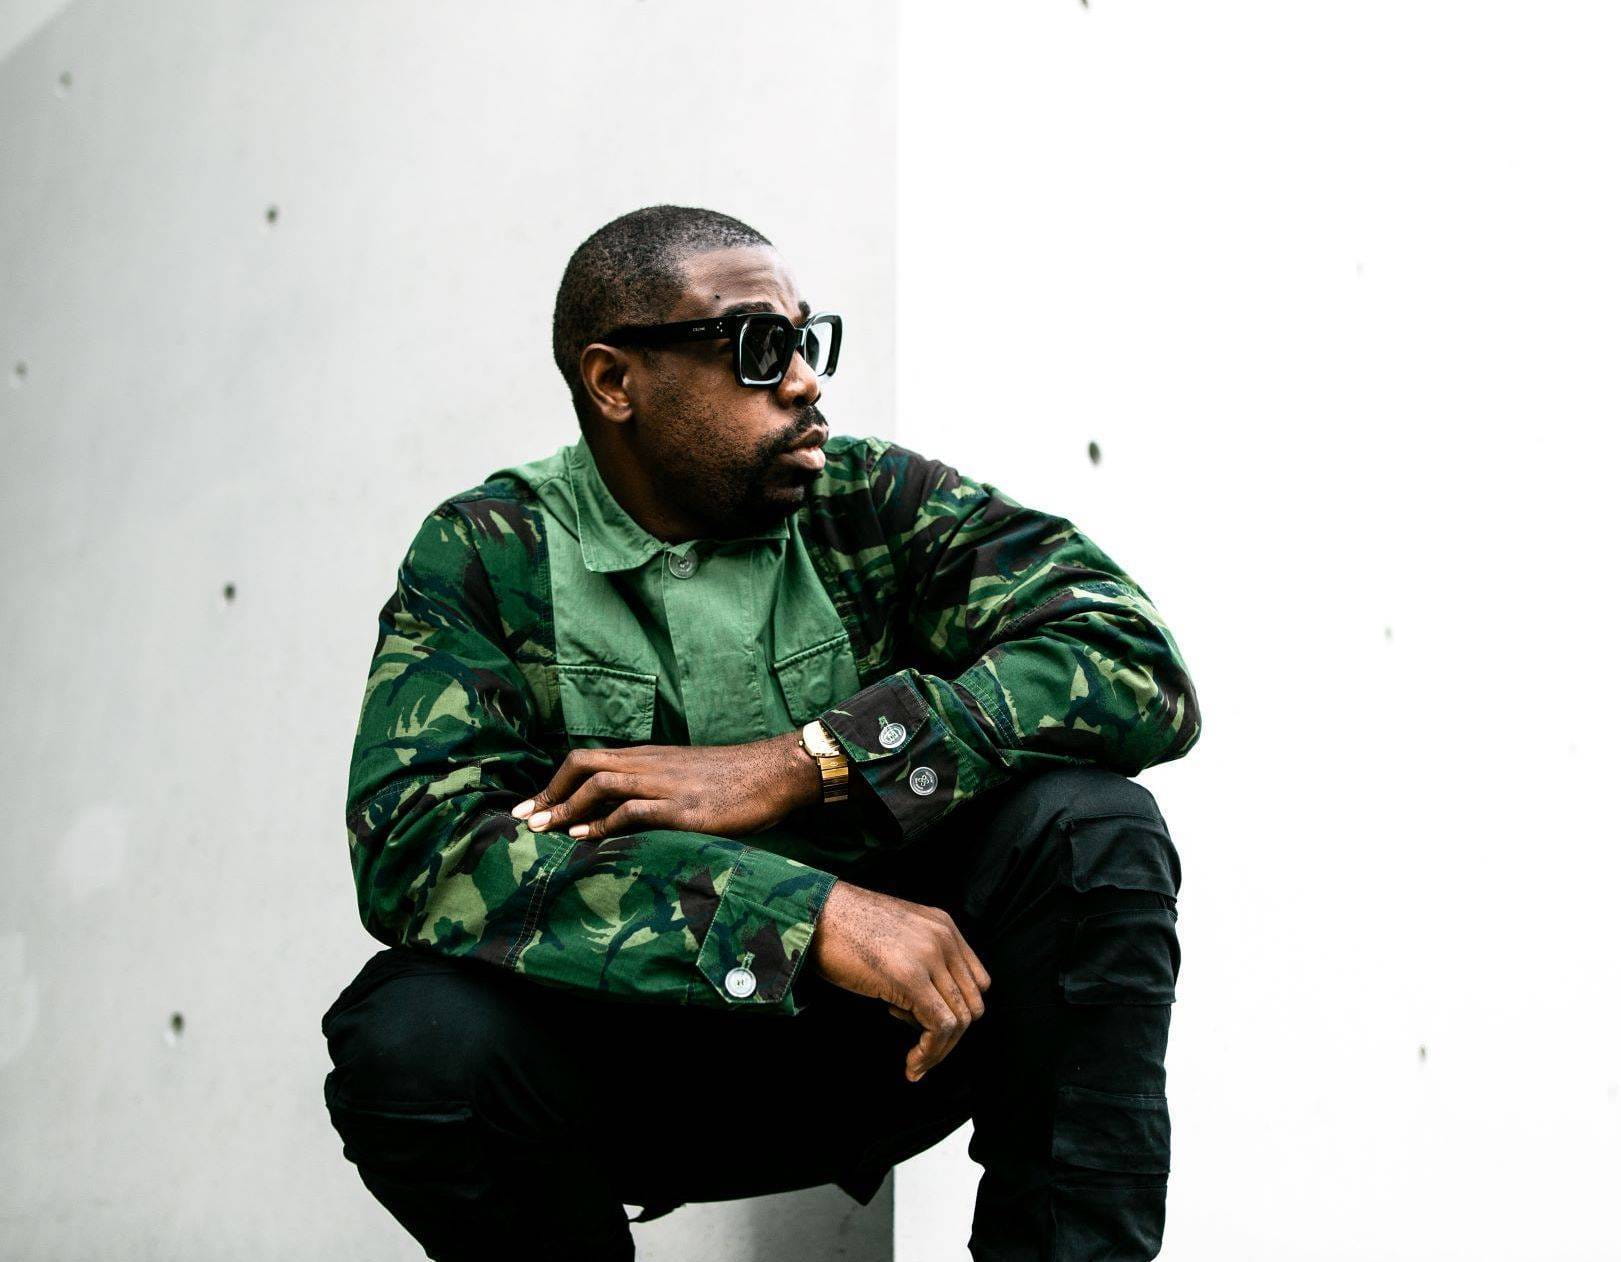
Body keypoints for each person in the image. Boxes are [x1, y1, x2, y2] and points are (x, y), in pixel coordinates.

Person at [320, 204, 1200, 1261]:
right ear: (614, 381)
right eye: (756, 346)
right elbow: (420, 847)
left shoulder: (868, 498)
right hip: (633, 1066)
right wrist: (806, 914)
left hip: (898, 1038)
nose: (804, 382)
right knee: (411, 1043)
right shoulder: (490, 550)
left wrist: (807, 763)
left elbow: (1133, 659)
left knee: (1092, 828)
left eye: (806, 339)